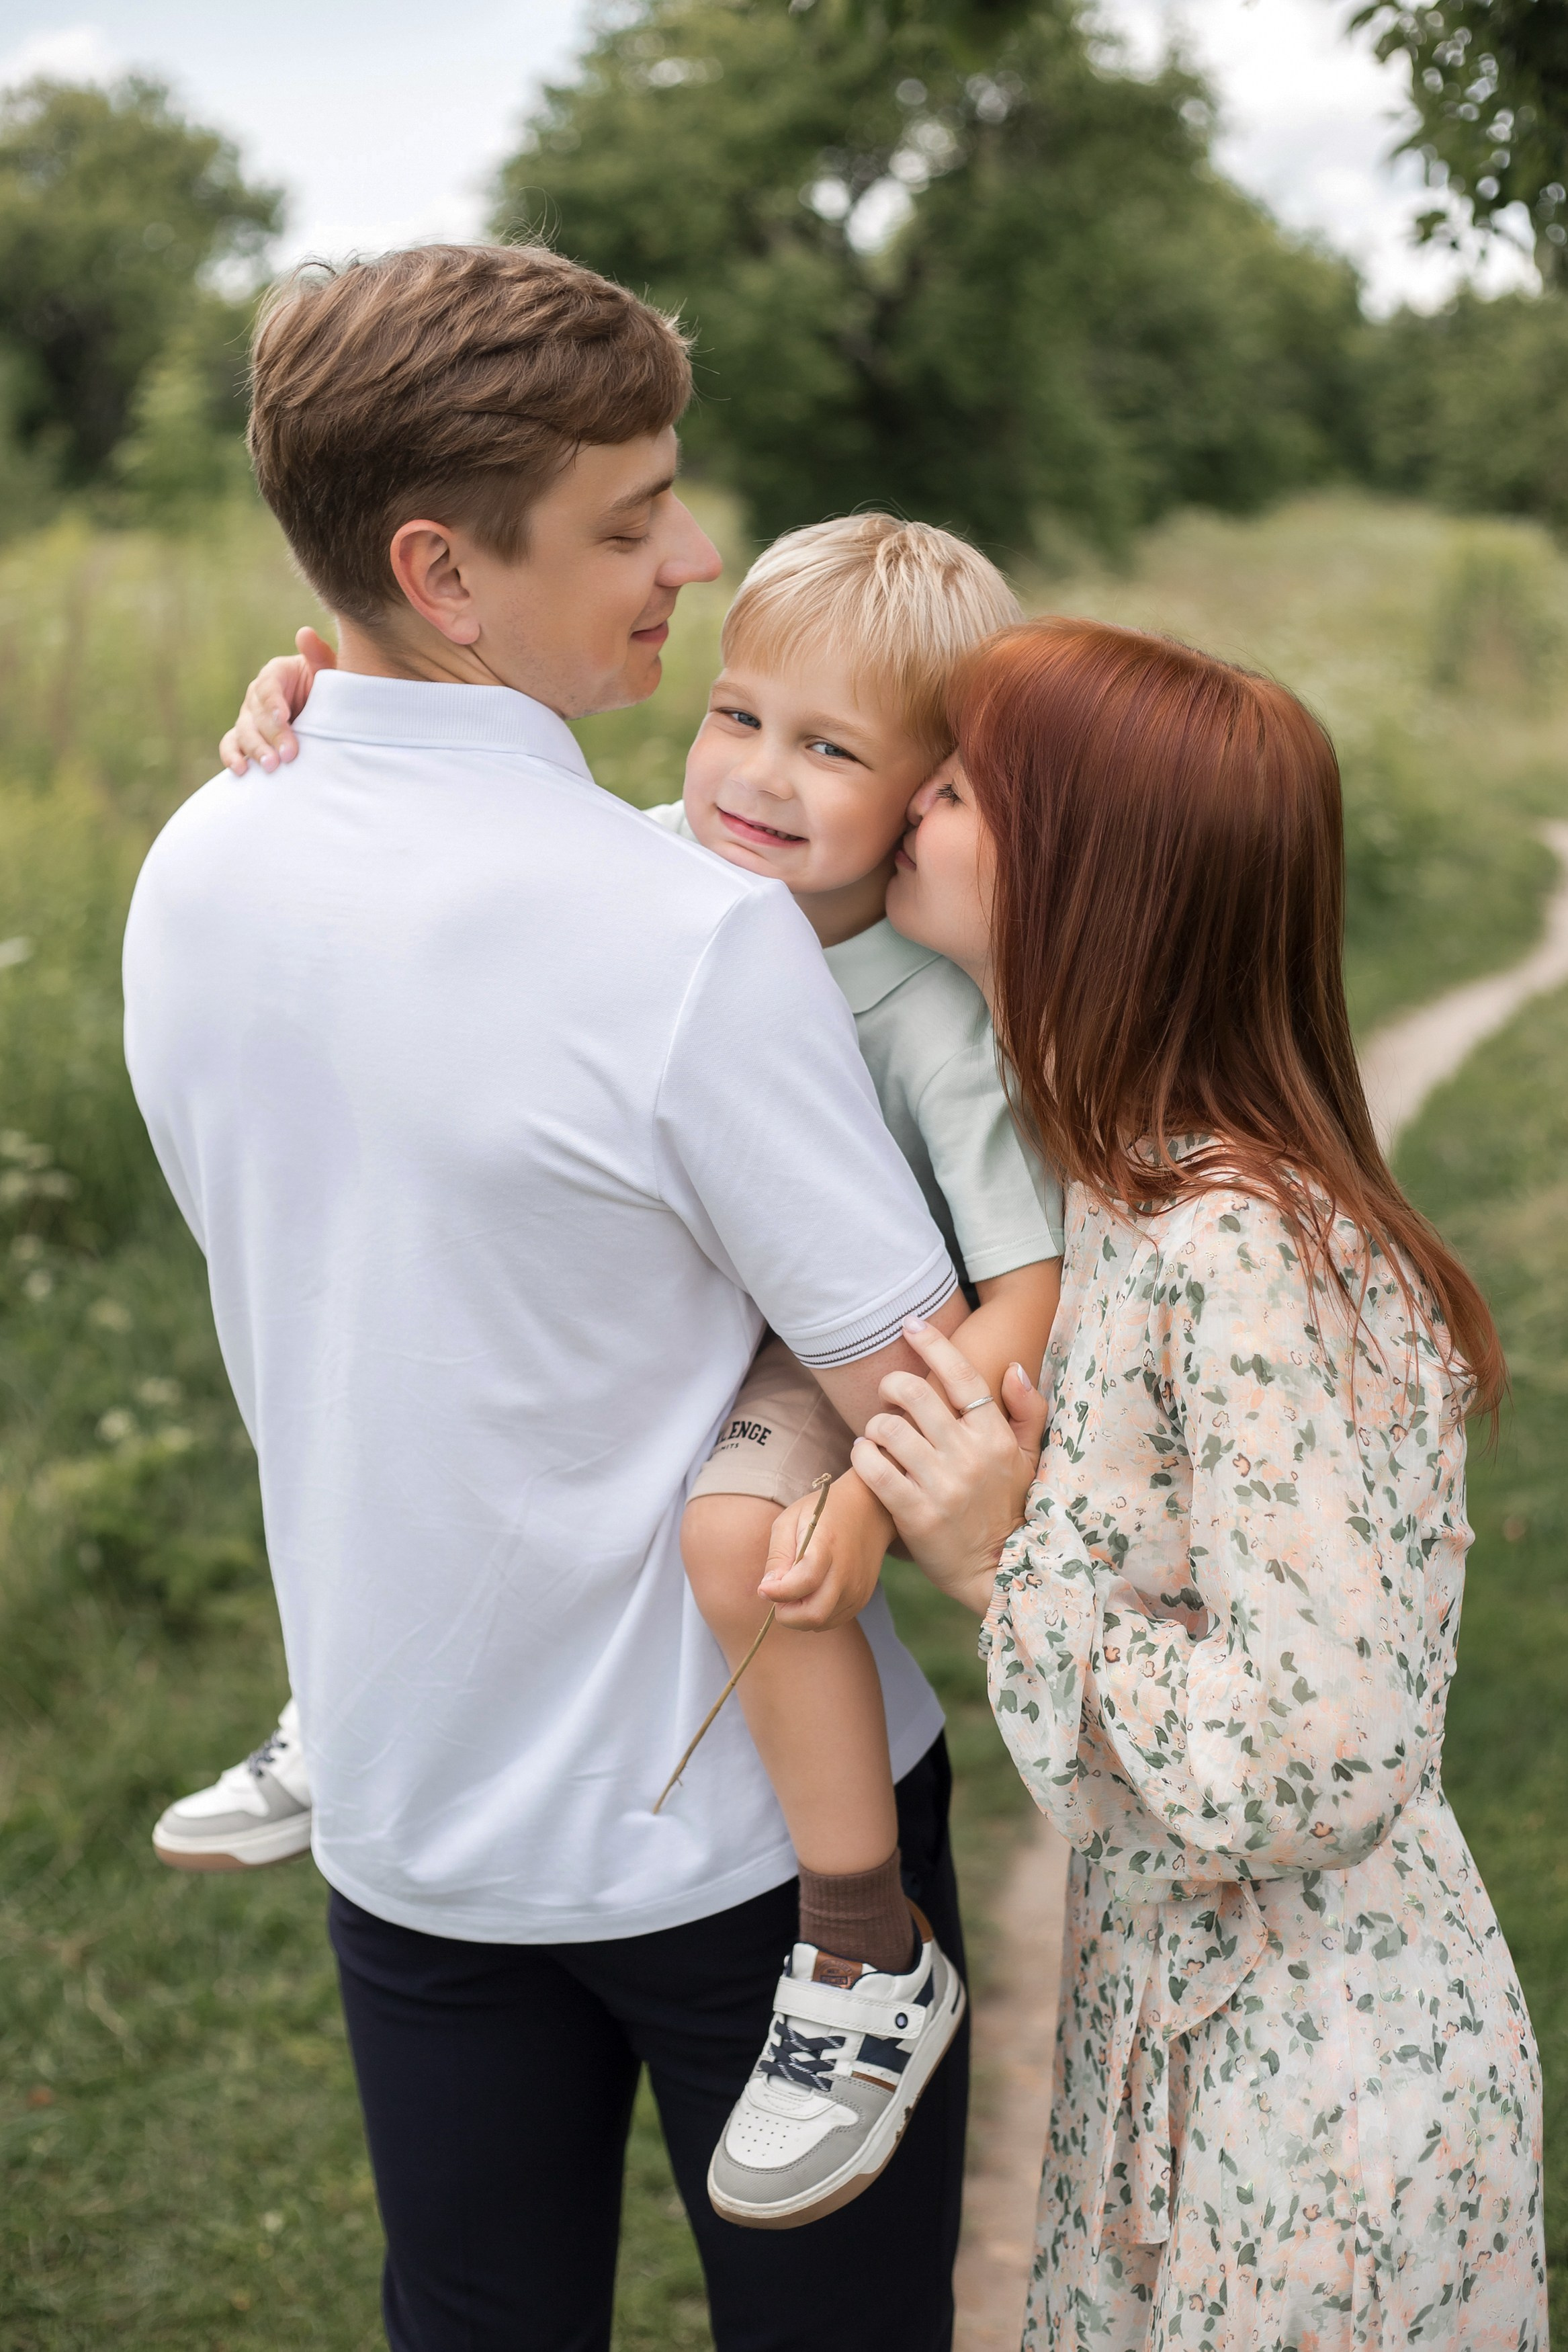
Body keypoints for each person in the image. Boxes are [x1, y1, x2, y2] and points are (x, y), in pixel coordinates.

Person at [124, 241, 982, 2352]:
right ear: (442, 568)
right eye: (627, 519)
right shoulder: (686, 942)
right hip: (752, 1852)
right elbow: (924, 1406)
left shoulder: (192, 865)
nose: (690, 552)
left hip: (410, 1802)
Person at [838, 613, 1549, 2349]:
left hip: (1316, 2106)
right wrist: (346, 720)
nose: (906, 806)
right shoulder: (1118, 1191)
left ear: (1094, 873)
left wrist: (1009, 1565)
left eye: (958, 786)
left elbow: (1321, 1744)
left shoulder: (1245, 1250)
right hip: (1181, 2040)